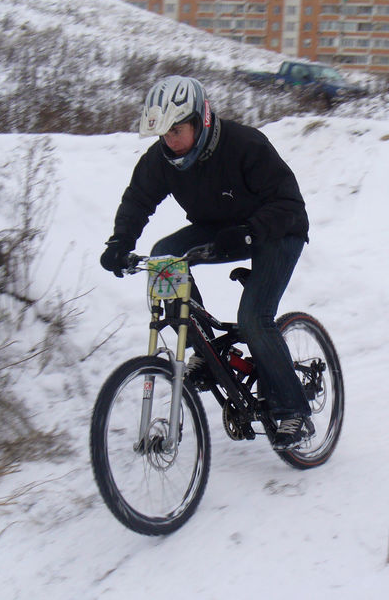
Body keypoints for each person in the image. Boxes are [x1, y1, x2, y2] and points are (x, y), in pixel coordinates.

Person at [100, 75, 313, 450]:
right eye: (164, 133)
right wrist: (120, 242)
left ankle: (293, 410)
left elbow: (289, 204)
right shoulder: (163, 160)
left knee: (254, 317)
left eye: (177, 130)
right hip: (220, 230)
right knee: (164, 257)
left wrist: (251, 231)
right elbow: (138, 200)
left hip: (278, 231)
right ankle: (208, 354)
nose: (170, 140)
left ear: (202, 120)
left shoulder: (245, 145)